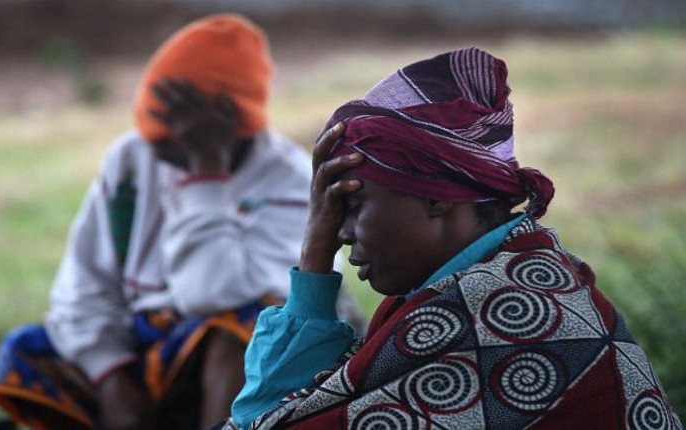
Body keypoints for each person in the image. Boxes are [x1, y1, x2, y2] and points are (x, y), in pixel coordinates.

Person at [223, 48, 683, 429]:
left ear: (436, 199)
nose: (338, 234)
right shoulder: (498, 280)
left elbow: (266, 419)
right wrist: (314, 254)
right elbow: (274, 412)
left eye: (354, 207)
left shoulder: (509, 313)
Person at [0, 14, 364, 430]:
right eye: (158, 129)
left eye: (183, 130)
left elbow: (212, 294)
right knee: (26, 350)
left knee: (241, 329)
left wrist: (206, 176)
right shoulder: (131, 161)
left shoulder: (288, 179)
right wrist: (111, 376)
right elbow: (82, 289)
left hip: (239, 375)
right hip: (143, 356)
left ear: (228, 121)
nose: (161, 146)